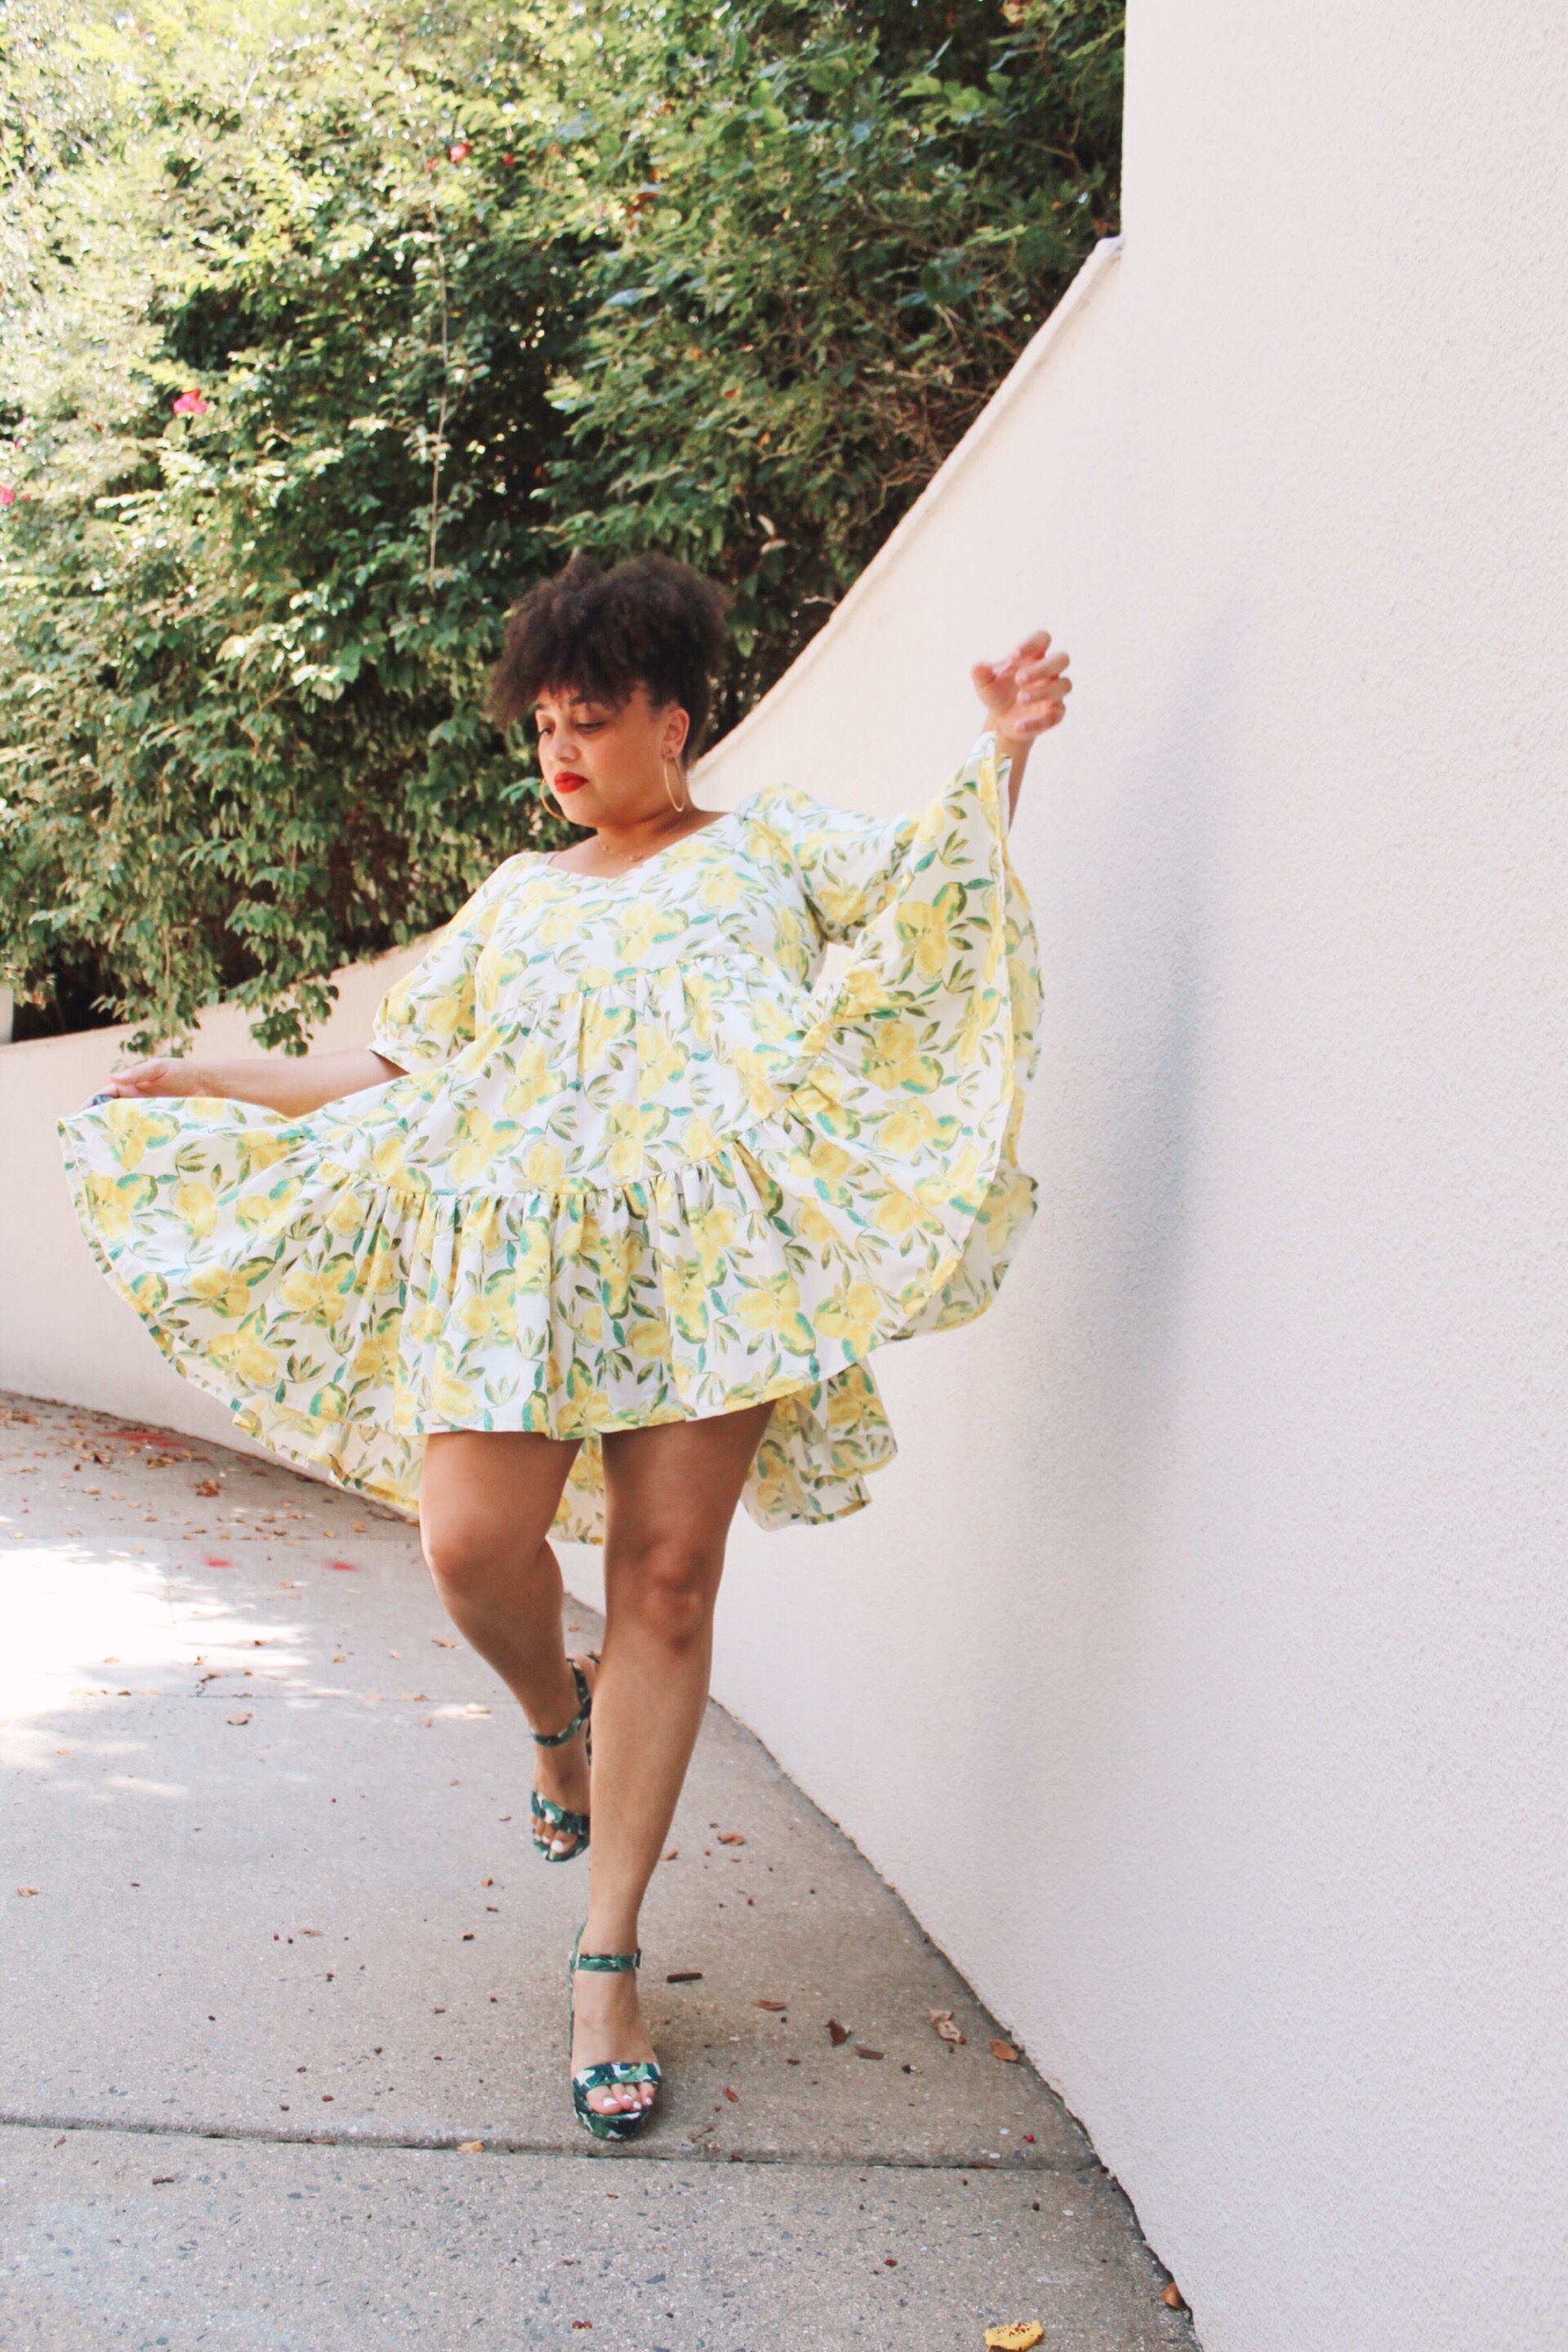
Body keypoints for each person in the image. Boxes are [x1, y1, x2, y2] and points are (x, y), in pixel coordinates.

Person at [60, 552, 1070, 2139]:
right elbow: (399, 1072)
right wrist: (205, 1081)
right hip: (516, 1265)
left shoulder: (772, 849)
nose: (561, 753)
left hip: (703, 1265)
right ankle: (558, 1721)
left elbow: (924, 894)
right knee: (470, 1546)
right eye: (543, 728)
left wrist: (1003, 750)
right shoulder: (518, 896)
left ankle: (608, 1959)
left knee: (669, 1580)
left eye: (590, 720)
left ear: (675, 720)